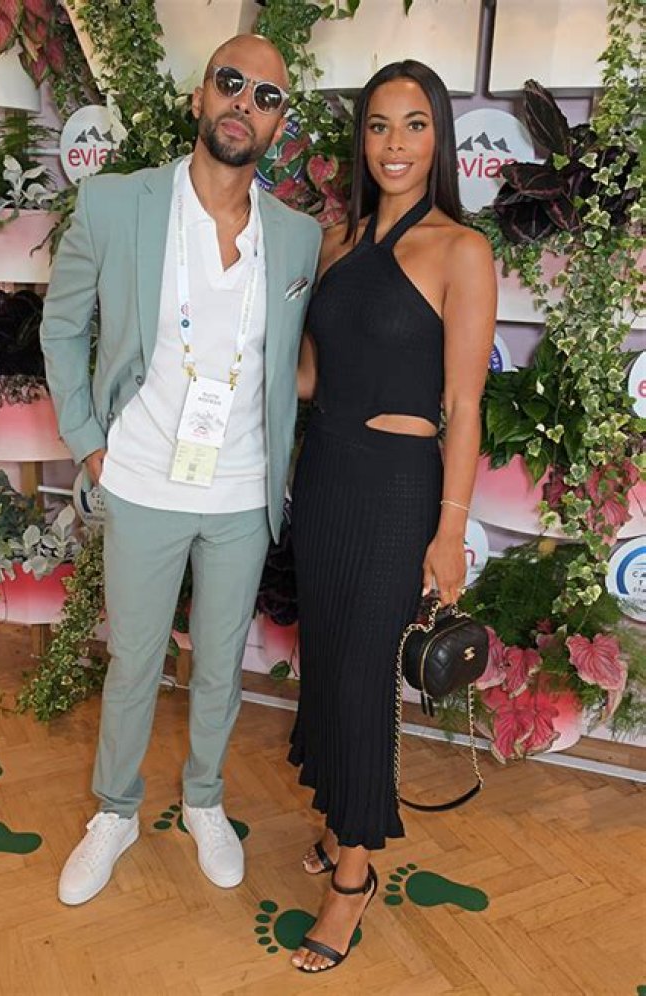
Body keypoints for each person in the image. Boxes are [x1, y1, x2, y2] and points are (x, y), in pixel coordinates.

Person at [40, 34, 321, 905]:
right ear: (200, 97)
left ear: (279, 125)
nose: (245, 103)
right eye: (230, 82)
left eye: (267, 95)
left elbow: (299, 362)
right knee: (133, 661)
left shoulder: (298, 237)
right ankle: (115, 811)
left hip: (240, 492)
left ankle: (203, 799)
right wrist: (89, 441)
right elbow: (62, 325)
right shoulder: (116, 204)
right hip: (140, 482)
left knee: (220, 663)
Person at [288, 60, 496, 972]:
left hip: (397, 491)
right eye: (378, 125)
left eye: (414, 125)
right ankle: (340, 821)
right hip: (325, 477)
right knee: (328, 662)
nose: (395, 144)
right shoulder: (335, 244)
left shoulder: (461, 250)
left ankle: (354, 878)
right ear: (361, 138)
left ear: (438, 136)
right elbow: (308, 376)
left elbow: (465, 405)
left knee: (365, 678)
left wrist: (449, 531)